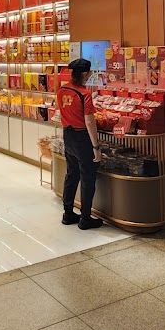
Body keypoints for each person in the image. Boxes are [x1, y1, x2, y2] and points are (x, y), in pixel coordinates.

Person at [56, 57, 103, 230]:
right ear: (85, 73)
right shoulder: (85, 94)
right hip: (82, 137)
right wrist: (96, 147)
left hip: (67, 135)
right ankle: (85, 218)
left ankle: (68, 213)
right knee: (87, 178)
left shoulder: (62, 90)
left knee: (72, 174)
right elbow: (90, 122)